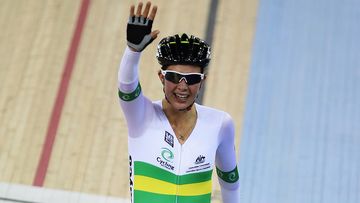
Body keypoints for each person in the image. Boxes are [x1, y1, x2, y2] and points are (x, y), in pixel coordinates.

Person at [118, 1, 240, 202]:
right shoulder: (141, 116)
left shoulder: (220, 124)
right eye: (174, 77)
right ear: (161, 77)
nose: (182, 87)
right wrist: (132, 51)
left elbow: (230, 185)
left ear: (202, 82)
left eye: (191, 79)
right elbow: (126, 87)